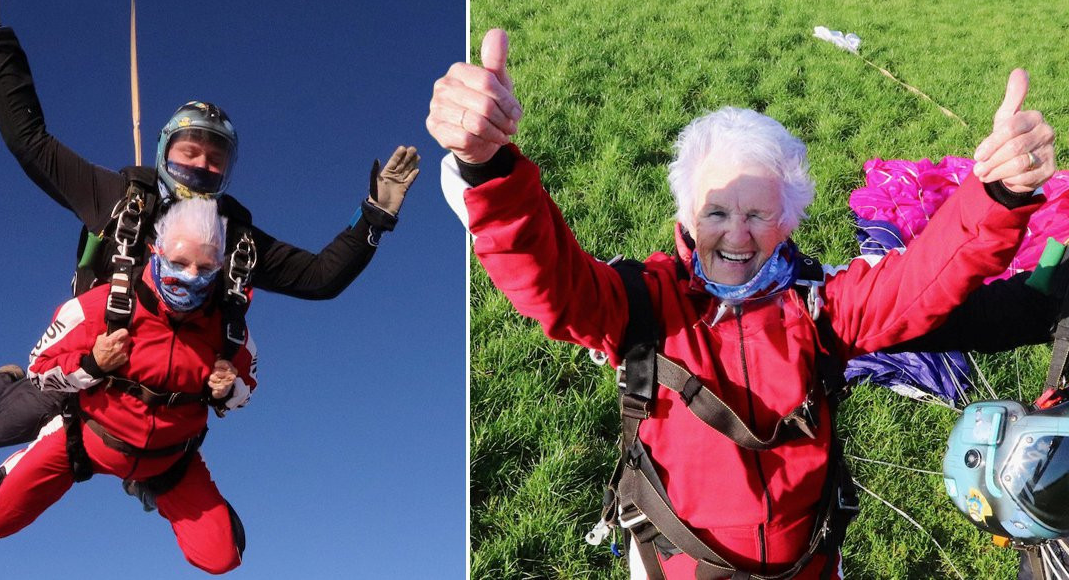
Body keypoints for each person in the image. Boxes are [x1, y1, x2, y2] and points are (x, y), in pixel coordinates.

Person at [429, 28, 1056, 579]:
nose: (736, 233)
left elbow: (923, 281)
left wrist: (996, 194)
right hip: (680, 565)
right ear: (684, 216)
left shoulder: (824, 306)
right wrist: (487, 170)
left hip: (808, 562)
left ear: (788, 222)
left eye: (759, 213)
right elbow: (549, 280)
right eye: (717, 212)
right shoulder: (640, 306)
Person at [0, 0, 420, 448]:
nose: (202, 165)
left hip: (167, 381)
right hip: (100, 352)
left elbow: (321, 278)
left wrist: (374, 217)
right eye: (189, 150)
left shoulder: (235, 238)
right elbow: (31, 142)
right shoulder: (120, 198)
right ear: (164, 152)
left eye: (217, 158)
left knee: (169, 448)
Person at [0, 199, 256, 574]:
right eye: (179, 263)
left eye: (206, 267)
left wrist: (227, 390)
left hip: (169, 461)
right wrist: (92, 364)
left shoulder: (229, 331)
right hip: (87, 439)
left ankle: (144, 483)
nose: (191, 276)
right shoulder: (103, 306)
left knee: (222, 556)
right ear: (156, 252)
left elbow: (247, 388)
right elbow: (39, 367)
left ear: (219, 270)